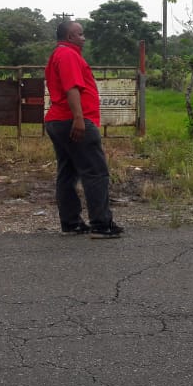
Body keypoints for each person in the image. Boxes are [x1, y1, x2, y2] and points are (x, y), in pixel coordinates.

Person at [44, 21, 123, 238]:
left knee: (68, 172)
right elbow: (72, 88)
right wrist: (79, 119)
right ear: (70, 37)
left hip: (57, 120)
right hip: (73, 121)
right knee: (95, 171)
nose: (84, 37)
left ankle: (71, 223)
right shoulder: (68, 55)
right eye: (80, 34)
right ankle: (101, 224)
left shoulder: (58, 55)